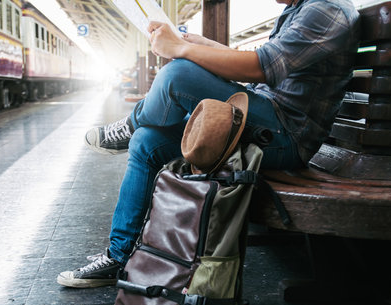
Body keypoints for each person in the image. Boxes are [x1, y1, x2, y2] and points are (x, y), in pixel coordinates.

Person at [57, 0, 360, 288]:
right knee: (147, 142)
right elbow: (260, 72)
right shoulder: (302, 8)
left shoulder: (327, 9)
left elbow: (261, 67)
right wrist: (199, 44)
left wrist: (182, 48)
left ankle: (131, 122)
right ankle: (119, 257)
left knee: (176, 74)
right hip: (263, 120)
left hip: (285, 137)